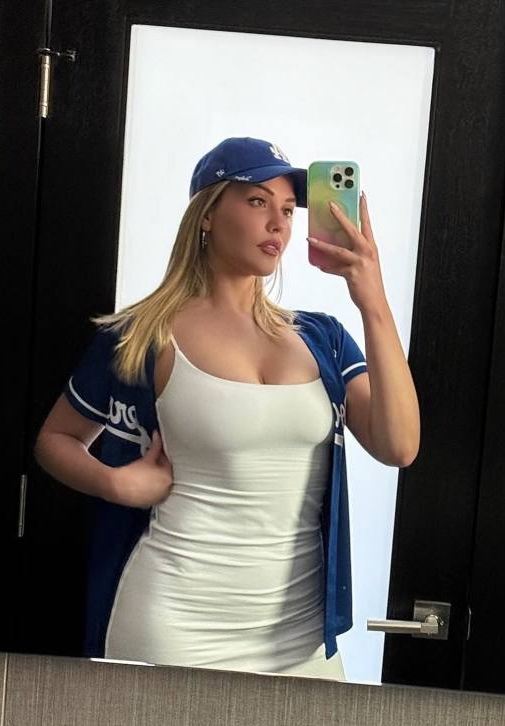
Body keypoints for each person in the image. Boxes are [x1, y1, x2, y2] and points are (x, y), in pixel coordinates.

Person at [33, 136, 420, 681]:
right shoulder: (142, 336)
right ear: (208, 215)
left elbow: (399, 446)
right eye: (258, 201)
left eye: (288, 209)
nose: (278, 223)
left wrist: (372, 300)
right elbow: (54, 440)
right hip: (173, 624)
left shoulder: (323, 339)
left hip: (302, 640)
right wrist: (114, 483)